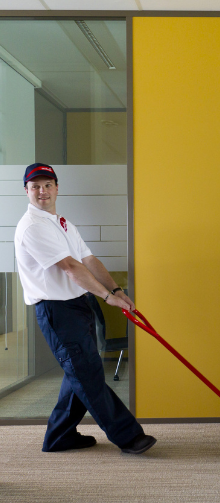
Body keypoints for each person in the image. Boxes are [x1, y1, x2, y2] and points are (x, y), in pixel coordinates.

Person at [14, 163, 156, 455]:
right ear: (26, 191)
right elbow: (69, 267)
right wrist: (107, 297)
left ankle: (59, 436)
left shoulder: (61, 223)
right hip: (57, 310)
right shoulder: (33, 227)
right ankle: (128, 436)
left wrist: (116, 291)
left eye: (48, 184)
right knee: (87, 373)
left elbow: (88, 260)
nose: (42, 191)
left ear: (57, 187)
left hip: (78, 305)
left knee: (78, 371)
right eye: (35, 186)